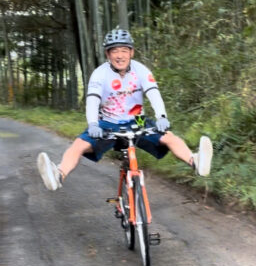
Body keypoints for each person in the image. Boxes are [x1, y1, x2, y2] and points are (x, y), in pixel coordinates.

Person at [37, 29, 213, 191]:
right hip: (107, 122)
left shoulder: (140, 70)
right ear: (108, 54)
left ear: (131, 52)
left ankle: (195, 161)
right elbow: (92, 101)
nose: (120, 55)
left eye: (124, 50)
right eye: (114, 51)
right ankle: (58, 174)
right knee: (78, 145)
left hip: (138, 120)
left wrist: (161, 116)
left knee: (169, 137)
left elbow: (153, 93)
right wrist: (92, 123)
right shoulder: (100, 73)